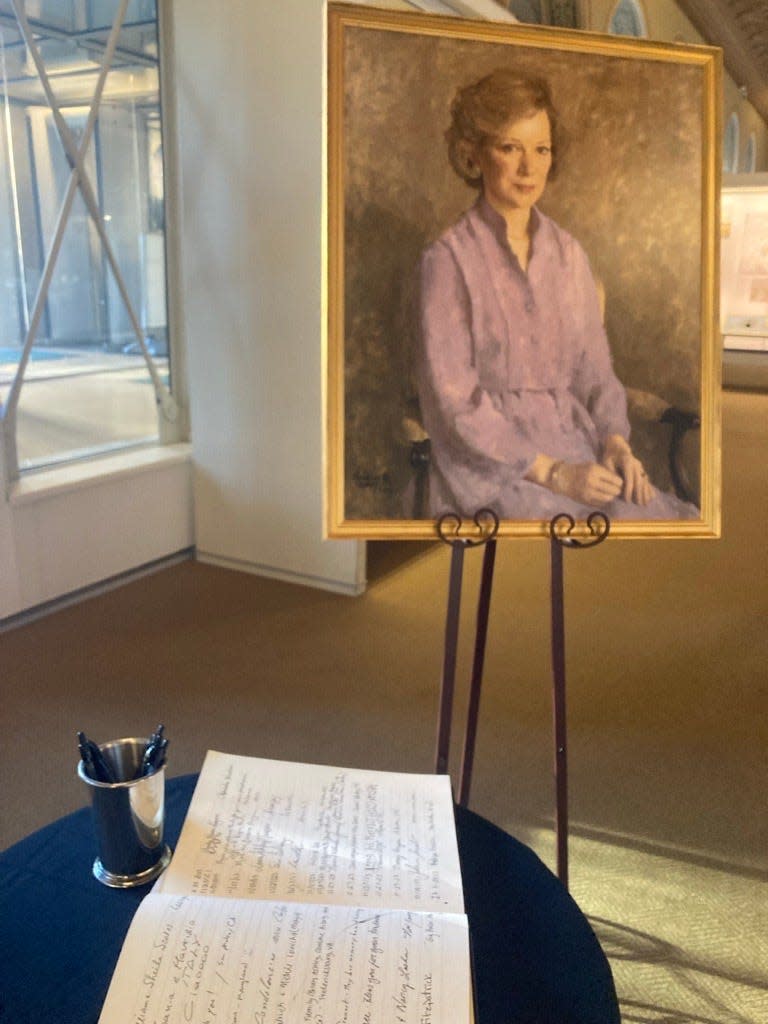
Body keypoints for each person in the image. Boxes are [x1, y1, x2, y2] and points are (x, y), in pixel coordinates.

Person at [416, 68, 698, 521]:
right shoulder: (448, 260)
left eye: (541, 149)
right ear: (474, 155)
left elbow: (596, 371)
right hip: (492, 465)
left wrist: (615, 443)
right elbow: (454, 402)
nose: (529, 168)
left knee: (662, 520)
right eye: (511, 148)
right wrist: (552, 473)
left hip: (575, 443)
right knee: (574, 532)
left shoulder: (569, 255)